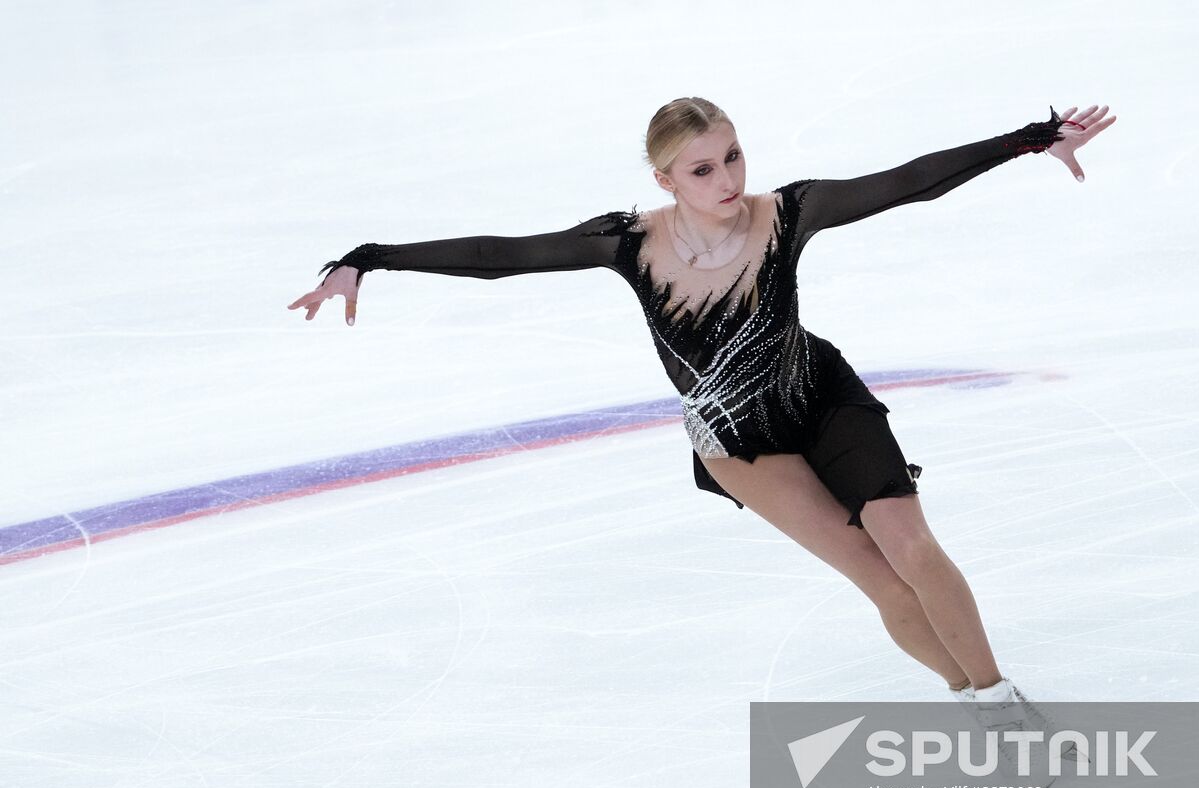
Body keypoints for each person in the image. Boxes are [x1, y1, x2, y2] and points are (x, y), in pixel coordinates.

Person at [289, 98, 1116, 740]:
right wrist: (370, 257)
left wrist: (1032, 137)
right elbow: (499, 258)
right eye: (701, 170)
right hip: (740, 446)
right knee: (875, 572)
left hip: (818, 396)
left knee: (910, 543)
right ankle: (972, 704)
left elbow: (908, 182)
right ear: (665, 181)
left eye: (732, 157)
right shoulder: (627, 244)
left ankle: (1003, 708)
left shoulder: (788, 213)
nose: (726, 180)